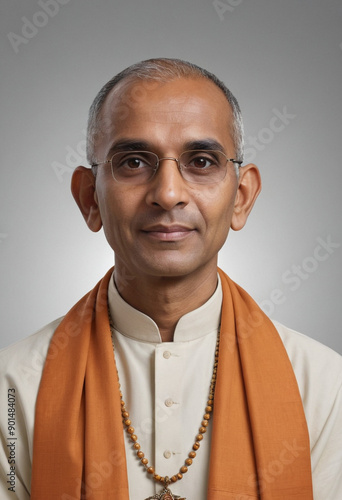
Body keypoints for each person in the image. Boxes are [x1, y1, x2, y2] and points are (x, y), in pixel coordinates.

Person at [0, 58, 341, 500]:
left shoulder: (323, 385)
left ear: (241, 198)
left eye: (201, 161)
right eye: (134, 162)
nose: (168, 193)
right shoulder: (13, 389)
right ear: (90, 199)